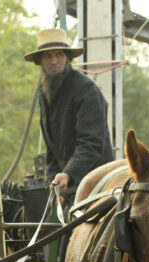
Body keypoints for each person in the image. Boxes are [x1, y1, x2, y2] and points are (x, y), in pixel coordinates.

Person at [24, 28, 113, 205]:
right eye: (48, 56)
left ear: (67, 58)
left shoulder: (86, 90)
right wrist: (56, 184)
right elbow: (52, 149)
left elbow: (91, 143)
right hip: (69, 186)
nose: (53, 61)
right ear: (40, 60)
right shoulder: (45, 92)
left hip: (97, 184)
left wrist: (68, 175)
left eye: (59, 55)